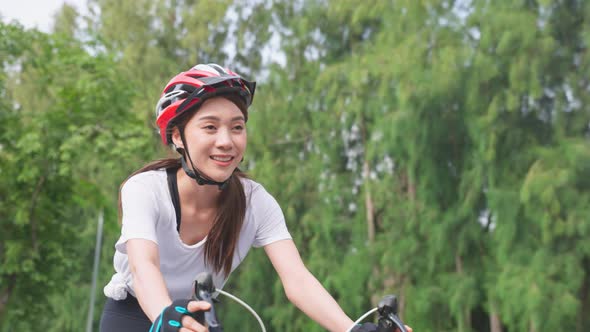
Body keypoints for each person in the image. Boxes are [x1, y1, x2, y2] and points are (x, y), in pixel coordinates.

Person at [99, 63, 412, 332]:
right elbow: (144, 269)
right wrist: (164, 316)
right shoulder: (144, 189)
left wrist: (351, 328)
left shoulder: (256, 202)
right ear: (178, 136)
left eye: (237, 127)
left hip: (199, 317)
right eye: (210, 127)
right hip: (134, 314)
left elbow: (298, 281)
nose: (226, 141)